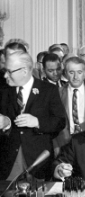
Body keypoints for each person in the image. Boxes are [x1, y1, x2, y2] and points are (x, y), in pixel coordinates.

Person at [0, 51, 66, 180]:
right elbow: (6, 122)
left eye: (10, 71)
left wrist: (37, 122)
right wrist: (6, 124)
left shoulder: (48, 90)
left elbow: (60, 121)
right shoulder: (4, 91)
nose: (6, 75)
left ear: (24, 71)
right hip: (9, 162)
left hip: (39, 160)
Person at [54, 56, 85, 154]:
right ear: (65, 73)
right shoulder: (56, 94)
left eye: (79, 72)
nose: (75, 77)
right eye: (71, 72)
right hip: (63, 145)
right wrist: (56, 146)